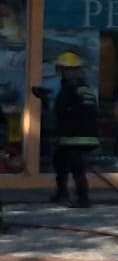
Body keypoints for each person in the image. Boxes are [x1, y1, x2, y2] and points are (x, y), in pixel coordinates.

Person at [33, 51, 99, 208]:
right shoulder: (86, 89)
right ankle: (62, 193)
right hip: (85, 135)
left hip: (73, 137)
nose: (61, 73)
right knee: (60, 162)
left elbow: (59, 110)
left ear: (69, 71)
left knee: (75, 168)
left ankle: (83, 199)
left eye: (63, 70)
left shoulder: (69, 89)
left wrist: (43, 98)